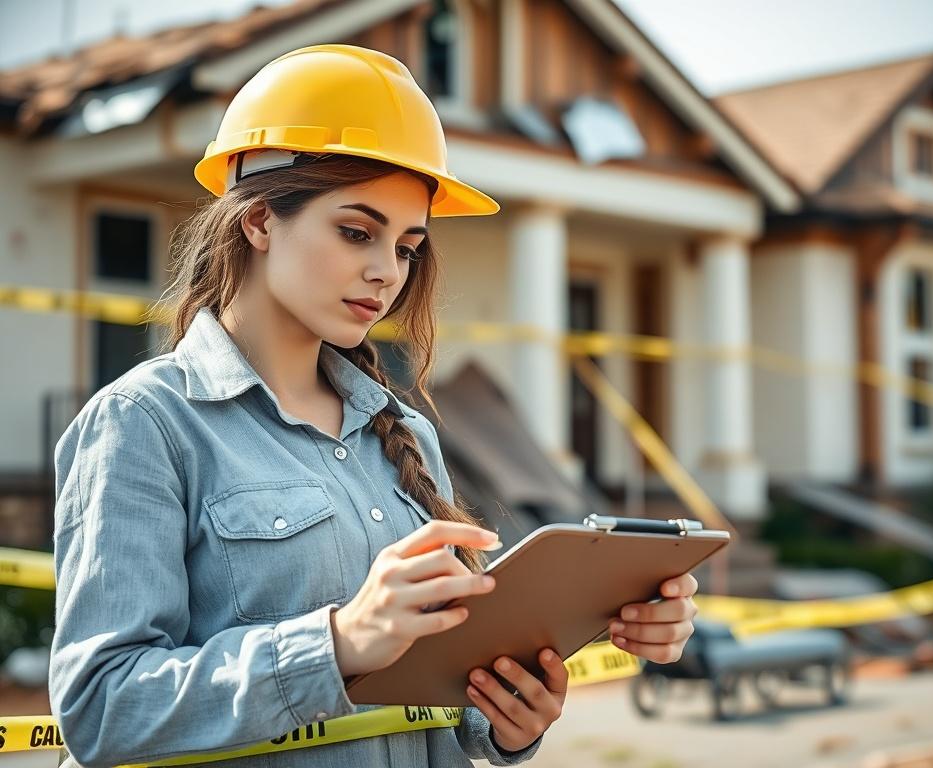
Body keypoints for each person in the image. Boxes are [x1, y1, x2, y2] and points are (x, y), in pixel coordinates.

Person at [49, 44, 699, 767]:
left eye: (408, 246)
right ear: (259, 222)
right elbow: (102, 708)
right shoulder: (144, 424)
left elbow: (441, 702)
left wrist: (509, 718)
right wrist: (335, 642)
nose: (386, 271)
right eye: (357, 232)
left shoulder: (407, 433)